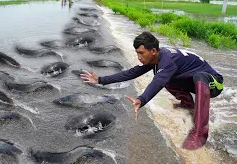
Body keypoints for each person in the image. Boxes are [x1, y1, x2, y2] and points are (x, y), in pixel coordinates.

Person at [80, 31, 223, 150]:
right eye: (137, 53)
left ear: (153, 51)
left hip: (213, 84)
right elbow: (131, 73)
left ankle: (200, 132)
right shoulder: (157, 58)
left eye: (141, 53)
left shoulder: (168, 61)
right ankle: (187, 104)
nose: (139, 57)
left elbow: (158, 82)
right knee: (165, 76)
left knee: (184, 76)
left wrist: (141, 100)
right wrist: (100, 80)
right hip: (193, 82)